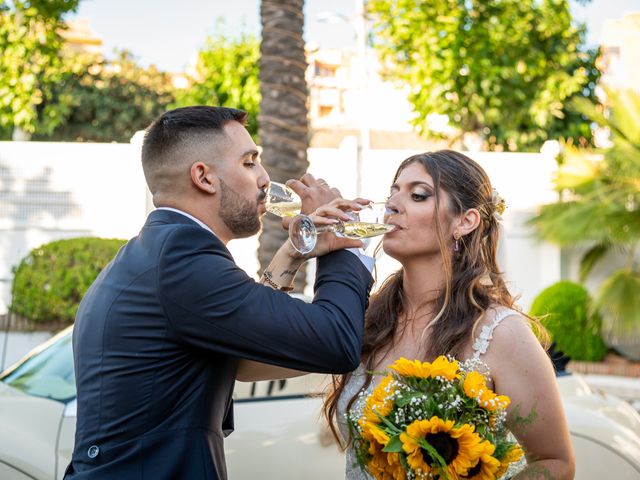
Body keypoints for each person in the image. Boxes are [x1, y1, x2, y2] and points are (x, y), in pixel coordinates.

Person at [64, 106, 374, 480]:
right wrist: (344, 241)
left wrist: (294, 251)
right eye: (249, 162)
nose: (265, 179)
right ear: (204, 177)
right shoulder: (184, 260)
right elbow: (333, 342)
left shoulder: (159, 251)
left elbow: (245, 354)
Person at [239, 150, 576, 479]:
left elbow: (555, 461)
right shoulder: (362, 320)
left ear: (465, 221)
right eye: (392, 193)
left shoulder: (499, 332)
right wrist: (295, 250)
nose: (392, 205)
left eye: (418, 195)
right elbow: (248, 362)